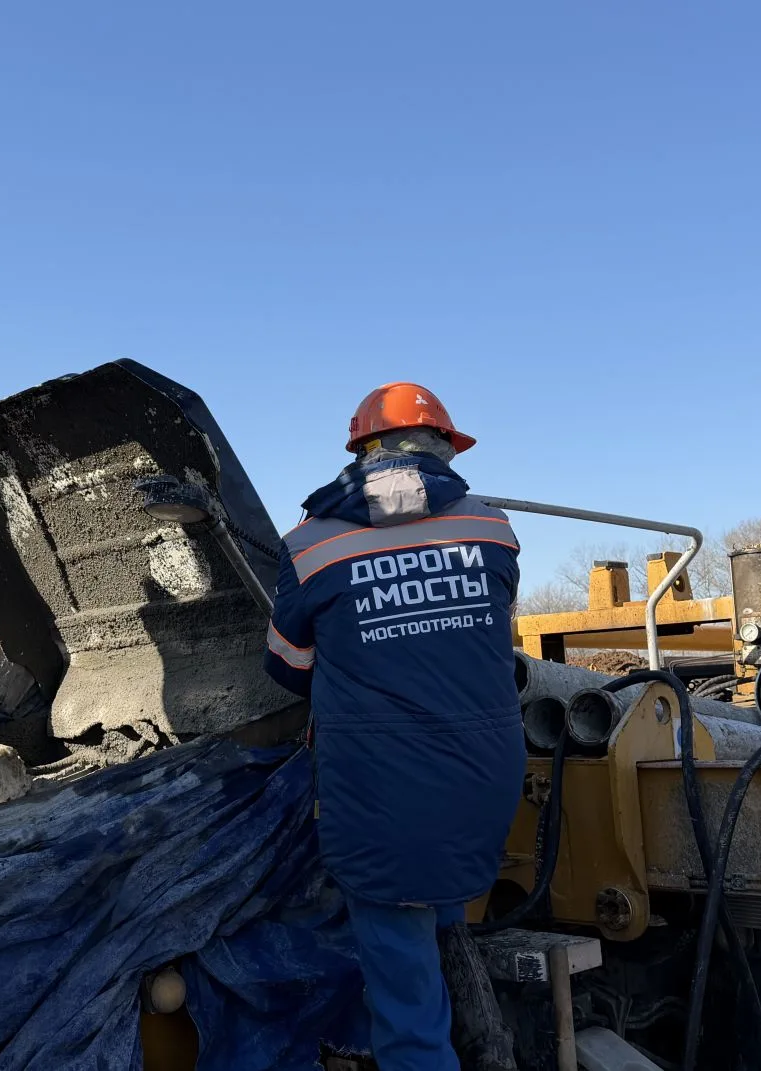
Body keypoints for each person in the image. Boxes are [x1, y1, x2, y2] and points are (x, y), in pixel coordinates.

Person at [263, 383, 526, 1071]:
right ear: (444, 448)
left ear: (362, 452)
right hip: (485, 783)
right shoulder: (493, 529)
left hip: (382, 800)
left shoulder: (311, 544)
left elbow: (287, 667)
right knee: (437, 896)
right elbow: (482, 643)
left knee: (407, 1008)